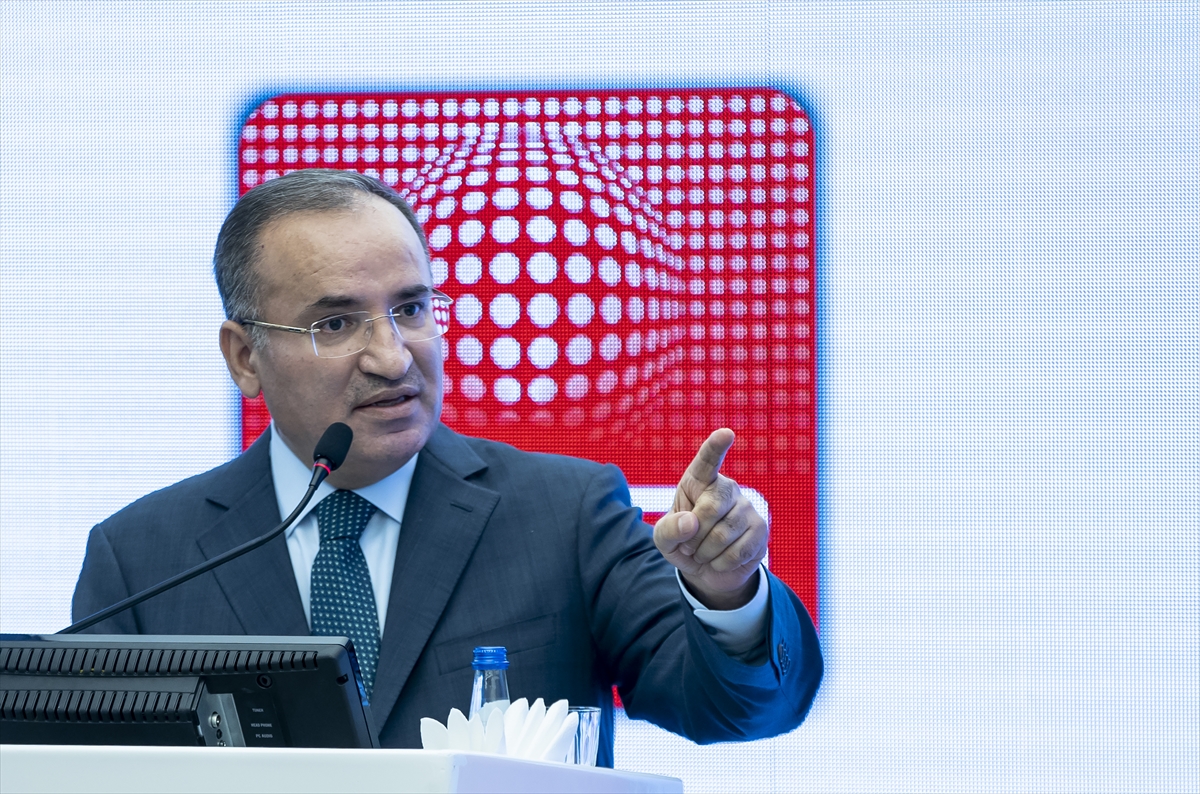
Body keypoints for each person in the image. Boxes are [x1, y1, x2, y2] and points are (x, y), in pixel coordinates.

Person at [72, 169, 822, 766]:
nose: (393, 357)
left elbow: (733, 709)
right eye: (337, 322)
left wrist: (728, 593)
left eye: (411, 309)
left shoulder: (564, 514)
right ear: (245, 357)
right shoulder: (143, 560)